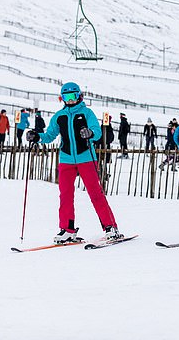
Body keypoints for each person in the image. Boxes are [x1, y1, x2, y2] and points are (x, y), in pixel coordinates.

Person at [25, 82, 122, 243]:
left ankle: (111, 227)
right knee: (65, 196)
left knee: (95, 194)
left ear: (79, 96)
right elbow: (49, 136)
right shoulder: (59, 116)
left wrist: (89, 133)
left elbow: (97, 132)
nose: (70, 100)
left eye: (73, 96)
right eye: (66, 97)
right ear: (62, 98)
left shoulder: (87, 113)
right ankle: (67, 229)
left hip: (86, 158)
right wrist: (36, 136)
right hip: (66, 159)